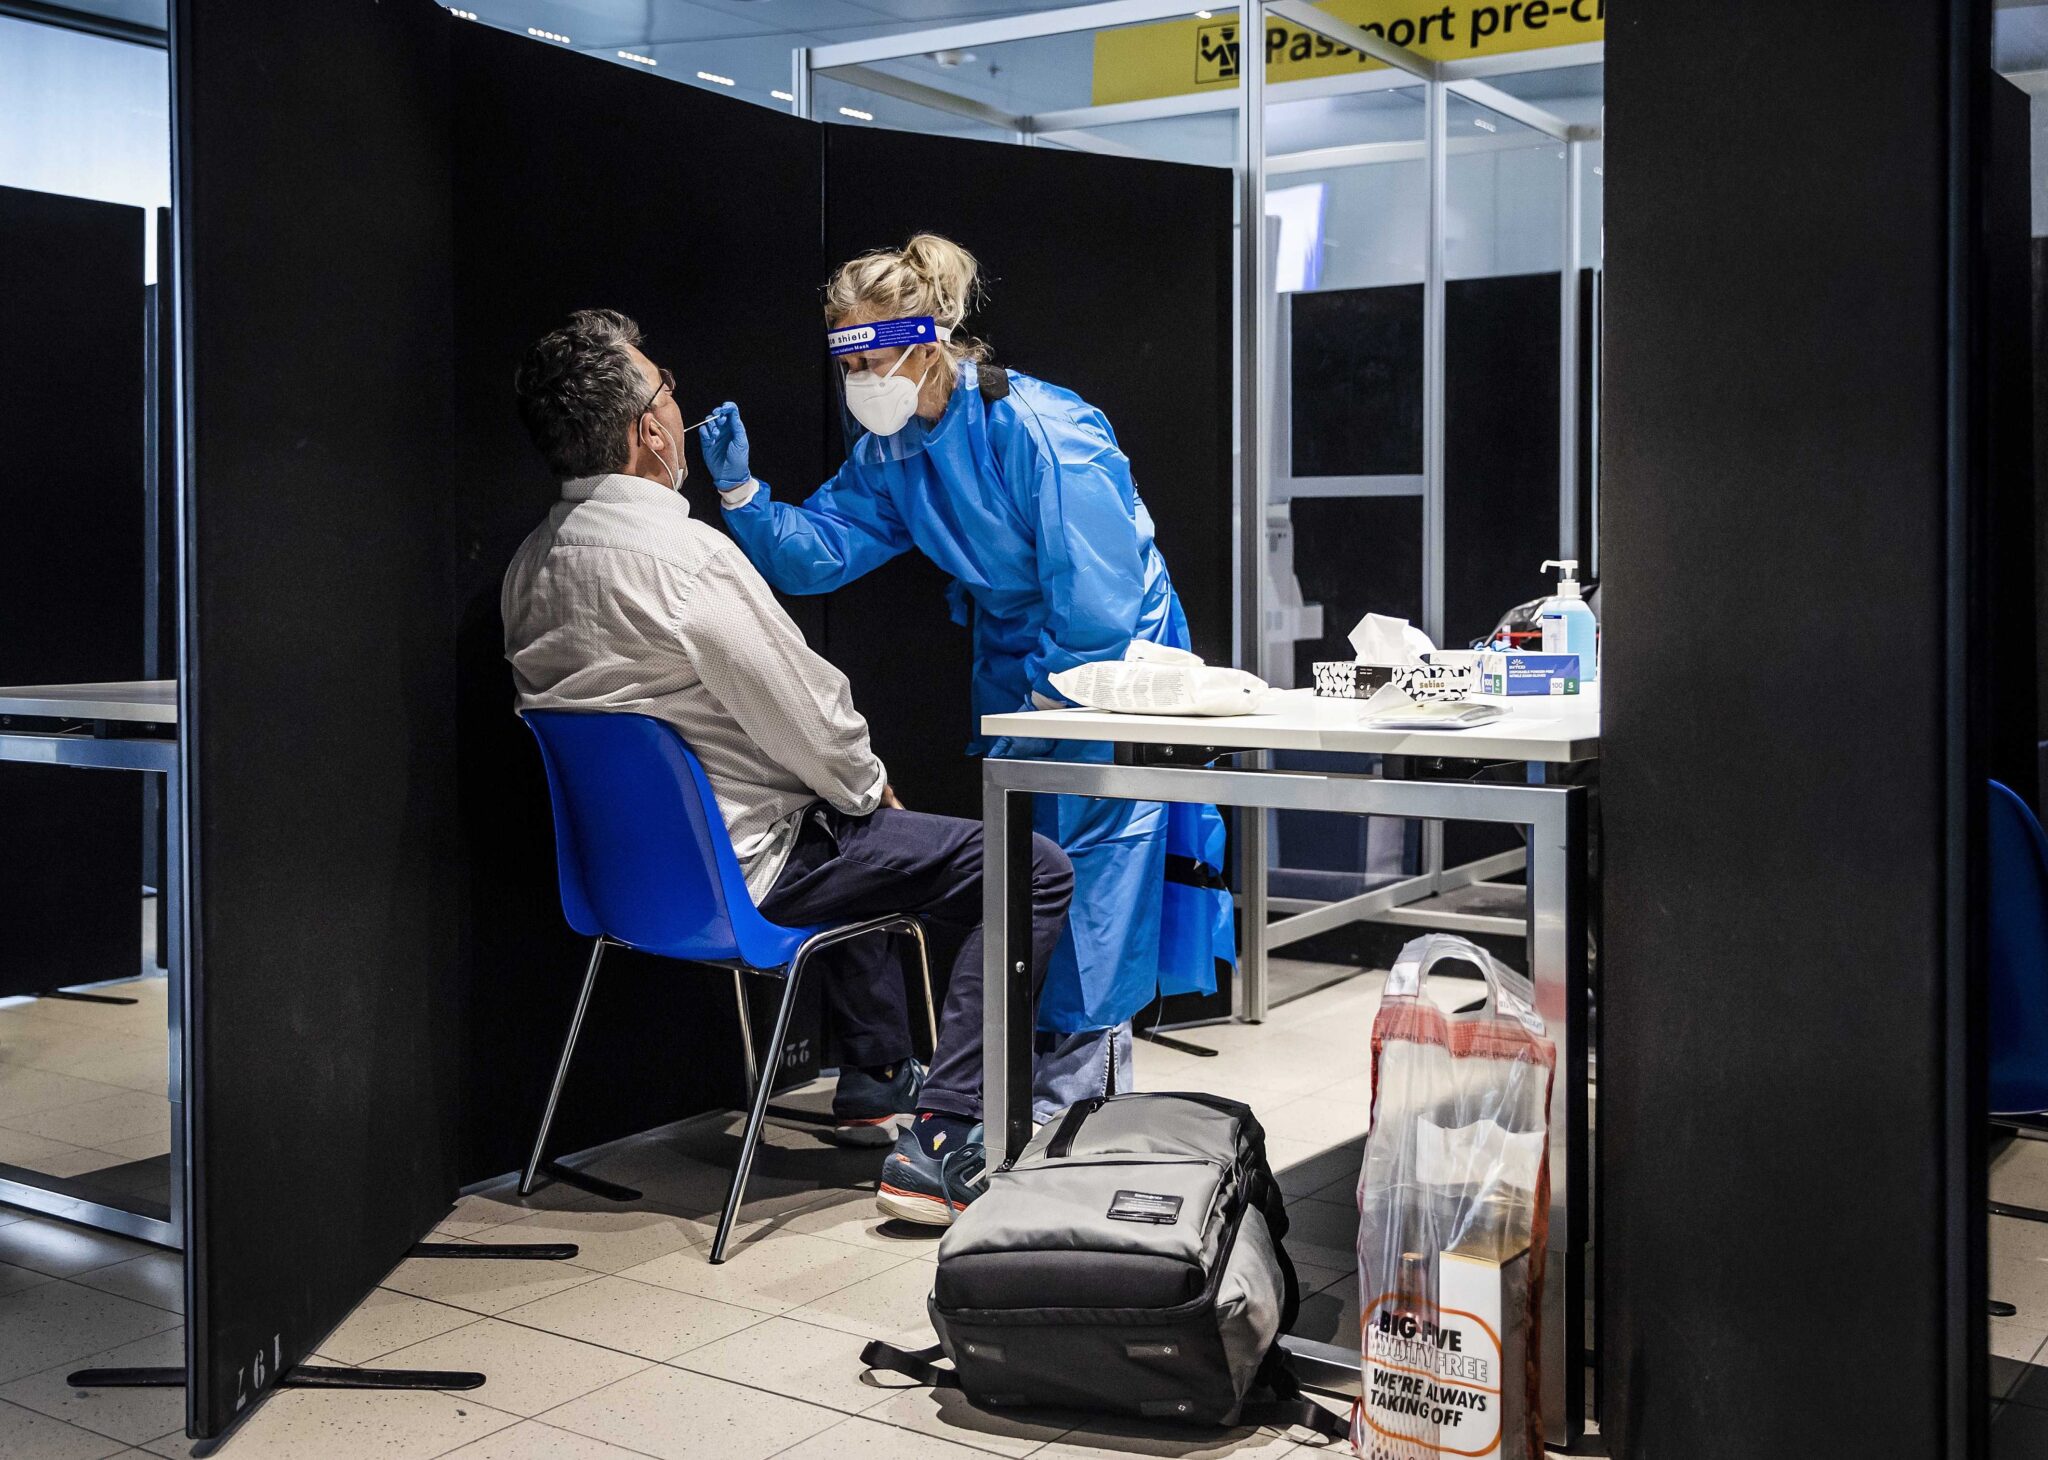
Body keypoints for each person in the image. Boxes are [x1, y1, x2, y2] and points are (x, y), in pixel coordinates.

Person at [500, 309, 1072, 1225]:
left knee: (838, 814)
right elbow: (815, 713)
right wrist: (867, 781)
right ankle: (944, 1135)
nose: (677, 408)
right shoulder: (684, 560)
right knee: (1024, 868)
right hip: (751, 878)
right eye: (667, 392)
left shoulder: (528, 568)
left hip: (627, 893)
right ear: (651, 431)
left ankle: (877, 1073)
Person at [701, 236, 1235, 1120]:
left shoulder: (1042, 428)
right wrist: (744, 497)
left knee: (1099, 867)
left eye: (874, 356)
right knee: (1033, 870)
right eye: (848, 362)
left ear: (929, 339)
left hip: (1105, 666)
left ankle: (1084, 1105)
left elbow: (1099, 597)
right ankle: (1016, 1087)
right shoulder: (893, 451)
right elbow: (823, 553)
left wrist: (1054, 699)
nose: (862, 379)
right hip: (1016, 662)